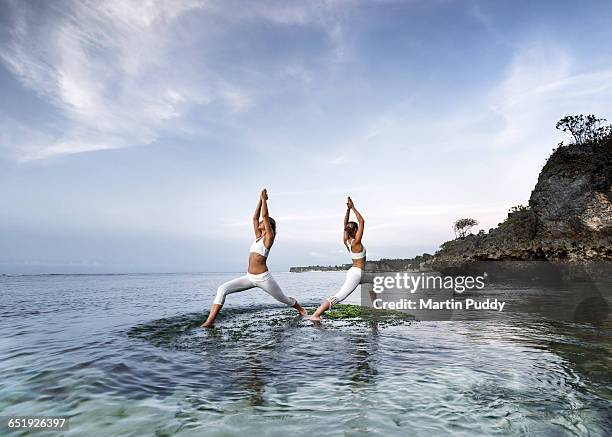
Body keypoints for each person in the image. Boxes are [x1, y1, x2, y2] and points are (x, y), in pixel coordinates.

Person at [200, 189, 307, 327]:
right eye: (262, 222)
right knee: (222, 289)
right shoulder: (258, 238)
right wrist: (259, 200)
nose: (261, 222)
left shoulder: (269, 238)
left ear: (269, 226)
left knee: (283, 299)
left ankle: (300, 309)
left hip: (264, 278)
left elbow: (265, 215)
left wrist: (264, 200)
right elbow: (254, 218)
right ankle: (209, 322)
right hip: (249, 277)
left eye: (265, 222)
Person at [310, 196, 369, 321]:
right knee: (340, 296)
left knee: (375, 283)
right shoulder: (356, 243)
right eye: (357, 228)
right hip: (356, 274)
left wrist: (347, 210)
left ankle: (375, 307)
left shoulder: (346, 241)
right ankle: (316, 315)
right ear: (355, 231)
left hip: (359, 273)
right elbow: (362, 221)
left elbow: (344, 224)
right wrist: (352, 207)